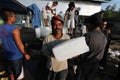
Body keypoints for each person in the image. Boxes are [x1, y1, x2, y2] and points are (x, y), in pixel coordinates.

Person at [74, 12, 107, 80]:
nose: (87, 26)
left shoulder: (87, 36)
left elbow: (80, 53)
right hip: (95, 65)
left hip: (85, 66)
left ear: (92, 24)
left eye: (88, 24)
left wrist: (76, 60)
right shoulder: (104, 37)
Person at [0, 8, 30, 80]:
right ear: (10, 18)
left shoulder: (0, 28)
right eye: (13, 16)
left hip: (5, 56)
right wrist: (25, 54)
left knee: (10, 73)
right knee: (19, 76)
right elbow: (19, 43)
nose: (15, 18)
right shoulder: (14, 29)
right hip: (15, 57)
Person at [41, 15, 70, 80]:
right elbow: (43, 51)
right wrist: (52, 53)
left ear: (62, 25)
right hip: (51, 68)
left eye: (59, 24)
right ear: (51, 26)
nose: (57, 27)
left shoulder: (66, 38)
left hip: (63, 68)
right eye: (54, 25)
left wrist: (74, 54)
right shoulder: (48, 38)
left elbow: (69, 52)